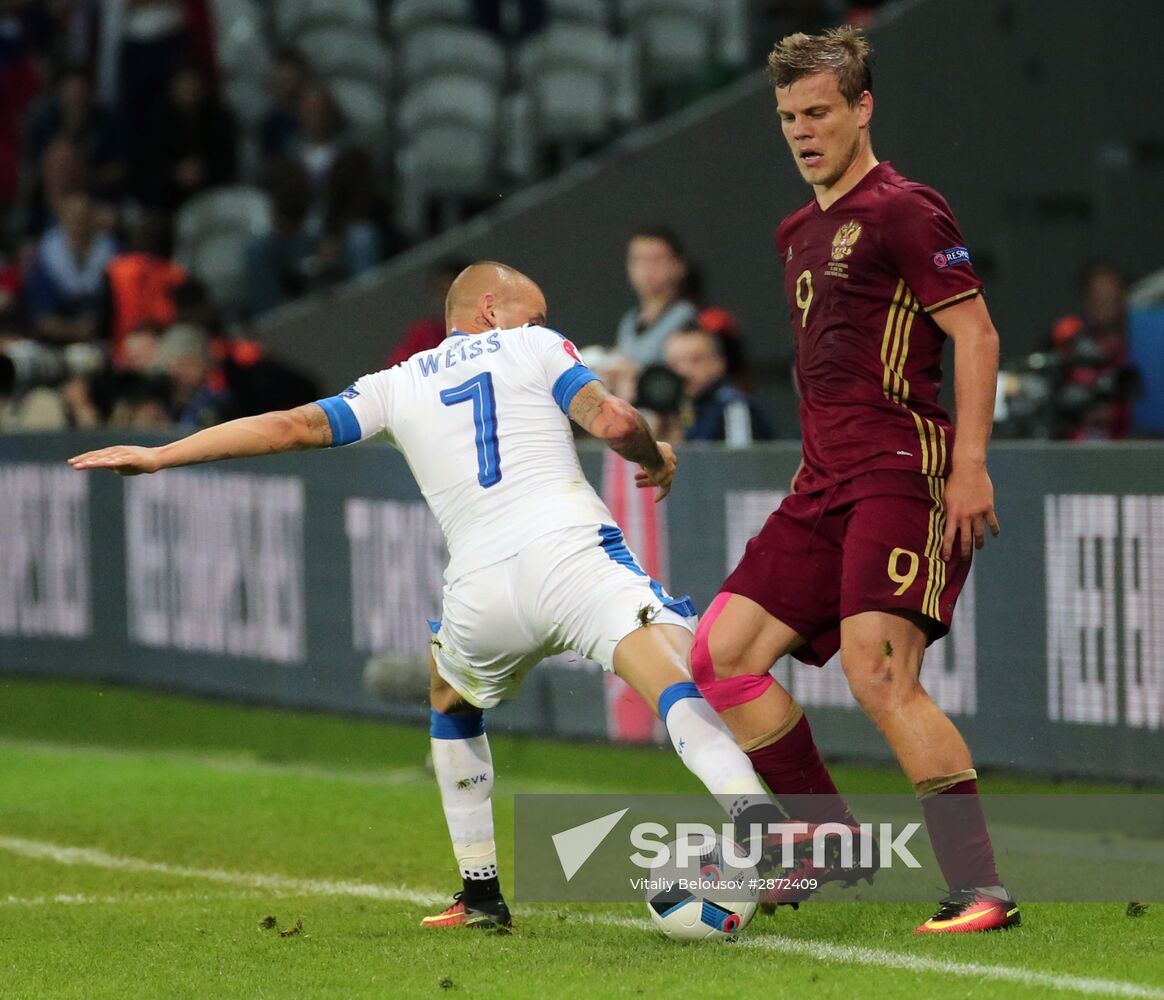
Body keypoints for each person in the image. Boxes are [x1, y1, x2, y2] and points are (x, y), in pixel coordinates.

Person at [69, 261, 778, 930]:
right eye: (535, 312)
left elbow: (289, 426)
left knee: (451, 700)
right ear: (492, 309)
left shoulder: (395, 382)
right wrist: (655, 458)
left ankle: (481, 895)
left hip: (482, 587)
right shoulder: (533, 345)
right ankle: (765, 833)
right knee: (674, 684)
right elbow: (616, 423)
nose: (543, 322)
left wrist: (161, 455)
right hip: (573, 560)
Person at [688, 27, 1018, 934]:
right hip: (822, 483)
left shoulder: (906, 210)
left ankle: (980, 888)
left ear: (862, 108)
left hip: (901, 472)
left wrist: (970, 466)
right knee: (721, 655)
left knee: (879, 672)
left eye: (819, 112)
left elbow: (977, 335)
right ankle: (823, 840)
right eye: (788, 116)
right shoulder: (796, 230)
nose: (802, 131)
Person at [663, 325, 774, 445]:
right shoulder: (675, 409)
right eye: (675, 363)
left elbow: (740, 456)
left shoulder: (733, 406)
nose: (684, 371)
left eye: (696, 360)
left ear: (719, 362)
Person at [614, 227, 697, 367]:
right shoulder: (629, 321)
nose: (646, 269)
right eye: (638, 260)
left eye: (656, 260)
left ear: (679, 266)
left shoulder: (690, 317)